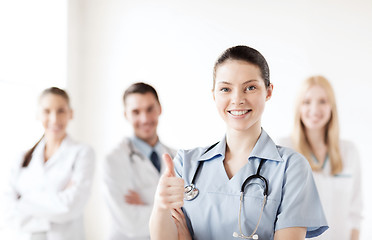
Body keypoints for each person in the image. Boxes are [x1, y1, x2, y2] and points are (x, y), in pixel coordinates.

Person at [149, 45, 329, 240]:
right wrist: (161, 204)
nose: (237, 99)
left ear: (268, 92)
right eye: (225, 89)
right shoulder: (186, 163)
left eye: (250, 87)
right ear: (214, 94)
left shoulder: (291, 167)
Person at [2, 87, 95, 240]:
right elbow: (5, 211)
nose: (54, 119)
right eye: (47, 111)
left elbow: (70, 206)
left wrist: (22, 200)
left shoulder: (82, 153)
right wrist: (55, 202)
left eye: (61, 111)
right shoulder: (21, 159)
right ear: (38, 114)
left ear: (71, 113)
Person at [278, 76, 363, 240]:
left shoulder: (349, 151)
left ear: (332, 106)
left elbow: (355, 212)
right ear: (298, 108)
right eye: (307, 102)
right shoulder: (284, 149)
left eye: (323, 101)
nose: (314, 109)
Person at [102, 82, 177, 240]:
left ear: (159, 109)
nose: (144, 119)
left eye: (150, 109)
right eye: (136, 112)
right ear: (126, 115)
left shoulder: (177, 157)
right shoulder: (113, 160)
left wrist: (145, 199)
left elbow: (190, 214)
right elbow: (131, 223)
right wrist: (169, 208)